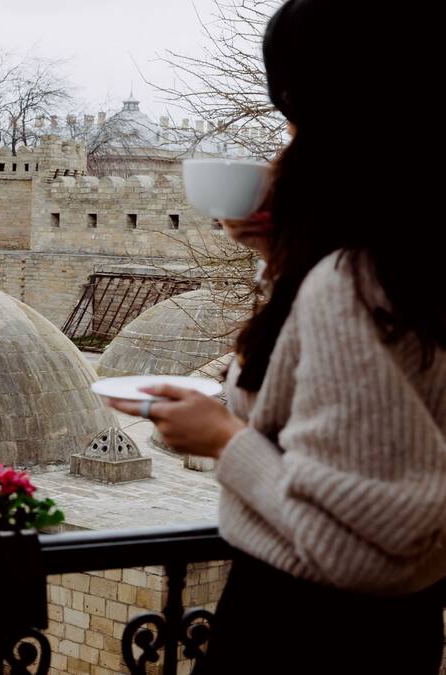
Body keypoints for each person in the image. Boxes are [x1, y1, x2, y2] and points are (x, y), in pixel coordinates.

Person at [107, 1, 445, 672]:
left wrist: (223, 440)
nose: (283, 145)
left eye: (290, 119)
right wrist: (283, 253)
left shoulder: (348, 285)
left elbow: (374, 551)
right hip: (399, 639)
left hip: (306, 632)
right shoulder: (408, 263)